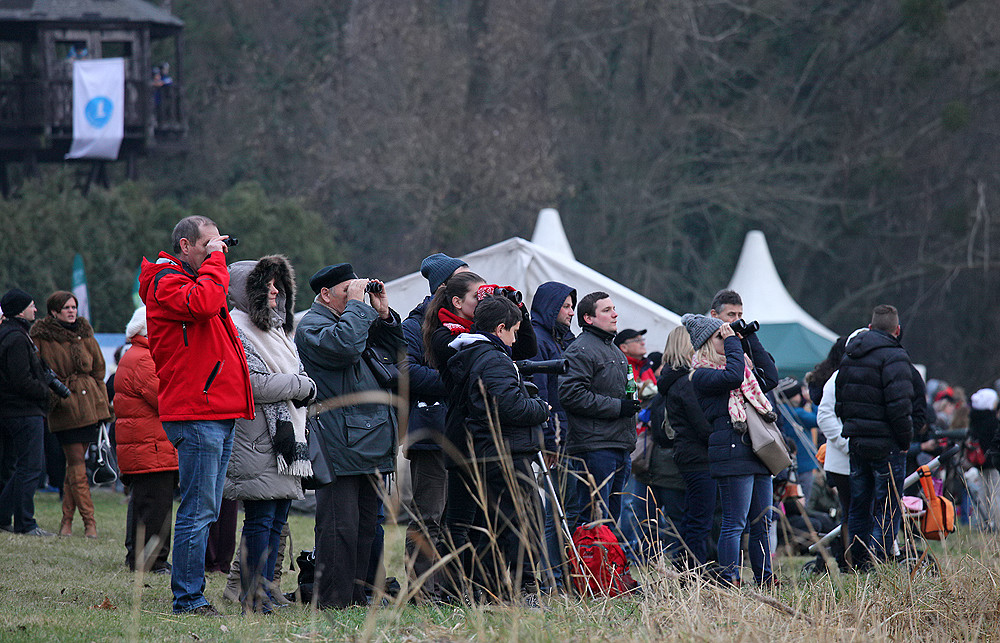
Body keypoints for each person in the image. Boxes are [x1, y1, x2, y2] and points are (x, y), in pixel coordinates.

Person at [138, 215, 254, 616]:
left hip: (215, 411)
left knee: (207, 507)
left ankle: (191, 593)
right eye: (208, 245)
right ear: (185, 246)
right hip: (196, 412)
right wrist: (218, 262)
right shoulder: (164, 282)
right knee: (198, 508)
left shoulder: (196, 279)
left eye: (217, 246)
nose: (215, 252)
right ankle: (188, 599)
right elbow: (204, 303)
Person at [295, 263, 404, 609]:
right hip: (339, 443)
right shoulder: (313, 327)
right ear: (325, 295)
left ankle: (357, 595)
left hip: (368, 441)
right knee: (339, 527)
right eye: (347, 291)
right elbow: (344, 348)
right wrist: (359, 307)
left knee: (364, 527)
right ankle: (334, 599)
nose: (355, 297)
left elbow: (397, 355)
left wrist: (383, 316)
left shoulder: (354, 320)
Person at [224, 256, 315, 613]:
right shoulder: (237, 329)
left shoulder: (276, 330)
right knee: (260, 520)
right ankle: (251, 597)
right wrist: (301, 386)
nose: (275, 290)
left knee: (276, 519)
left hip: (283, 435)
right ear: (248, 291)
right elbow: (252, 384)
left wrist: (302, 385)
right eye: (267, 284)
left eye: (279, 284)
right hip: (256, 437)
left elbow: (294, 373)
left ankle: (263, 591)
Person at [446, 297, 551, 602]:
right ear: (500, 328)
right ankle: (525, 590)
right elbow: (508, 406)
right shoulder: (492, 359)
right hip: (502, 451)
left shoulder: (471, 353)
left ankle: (487, 592)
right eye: (514, 331)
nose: (516, 339)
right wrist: (539, 408)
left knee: (491, 524)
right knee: (523, 519)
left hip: (485, 450)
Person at [683, 312, 779, 587]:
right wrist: (734, 344)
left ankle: (765, 578)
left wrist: (748, 337)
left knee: (763, 521)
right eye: (719, 337)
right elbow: (734, 377)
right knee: (735, 522)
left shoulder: (743, 367)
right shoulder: (701, 375)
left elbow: (770, 377)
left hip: (756, 449)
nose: (725, 339)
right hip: (731, 449)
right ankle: (730, 578)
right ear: (705, 344)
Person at [401, 253, 469, 595]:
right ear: (445, 288)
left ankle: (449, 587)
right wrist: (459, 379)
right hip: (431, 432)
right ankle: (421, 589)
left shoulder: (474, 326)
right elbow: (406, 372)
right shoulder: (414, 325)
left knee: (456, 518)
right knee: (429, 515)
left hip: (465, 434)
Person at [836, 304, 913, 571]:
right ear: (897, 330)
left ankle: (858, 564)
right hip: (886, 444)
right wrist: (904, 441)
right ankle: (879, 565)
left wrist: (852, 428)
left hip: (856, 441)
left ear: (870, 327)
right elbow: (901, 406)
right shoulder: (895, 357)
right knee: (889, 506)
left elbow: (839, 399)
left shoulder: (849, 354)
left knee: (859, 505)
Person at [31, 290, 111, 539]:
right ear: (54, 311)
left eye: (74, 307)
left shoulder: (85, 332)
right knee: (76, 463)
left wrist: (97, 395)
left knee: (73, 468)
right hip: (64, 406)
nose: (71, 311)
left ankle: (66, 521)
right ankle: (90, 523)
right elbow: (38, 369)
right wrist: (55, 396)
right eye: (66, 307)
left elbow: (99, 368)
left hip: (90, 407)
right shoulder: (41, 337)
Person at [559, 291, 640, 529]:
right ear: (588, 318)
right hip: (594, 447)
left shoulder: (615, 351)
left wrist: (630, 403)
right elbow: (570, 394)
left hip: (619, 445)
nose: (615, 314)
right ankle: (587, 567)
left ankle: (607, 567)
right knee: (594, 522)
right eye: (606, 310)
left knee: (610, 523)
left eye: (614, 309)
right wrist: (618, 407)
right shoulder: (580, 350)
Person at [114, 306, 177, 573]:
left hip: (145, 444)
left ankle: (139, 558)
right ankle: (153, 561)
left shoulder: (137, 355)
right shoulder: (145, 359)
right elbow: (165, 398)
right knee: (156, 506)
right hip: (151, 446)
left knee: (143, 504)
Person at [528, 281, 576, 590]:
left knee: (564, 509)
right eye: (566, 306)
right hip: (553, 437)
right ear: (550, 306)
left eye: (573, 306)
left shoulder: (561, 340)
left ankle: (562, 574)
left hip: (565, 434)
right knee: (551, 513)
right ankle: (552, 578)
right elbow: (542, 394)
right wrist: (549, 439)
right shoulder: (539, 341)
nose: (571, 312)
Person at [658, 325, 716, 570]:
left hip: (688, 455)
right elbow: (701, 424)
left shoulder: (673, 381)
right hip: (699, 456)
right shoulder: (686, 383)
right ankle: (694, 571)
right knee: (700, 519)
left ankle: (689, 568)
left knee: (693, 516)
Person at [0, 289, 55, 537]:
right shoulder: (17, 339)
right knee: (31, 466)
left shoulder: (8, 334)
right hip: (23, 411)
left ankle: (5, 516)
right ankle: (25, 522)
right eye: (32, 306)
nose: (35, 310)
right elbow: (21, 380)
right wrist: (45, 390)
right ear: (20, 310)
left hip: (12, 411)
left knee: (16, 466)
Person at [615, 328, 657, 400]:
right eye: (637, 340)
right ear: (624, 347)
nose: (643, 343)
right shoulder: (619, 368)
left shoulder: (647, 367)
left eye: (642, 340)